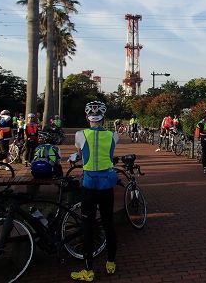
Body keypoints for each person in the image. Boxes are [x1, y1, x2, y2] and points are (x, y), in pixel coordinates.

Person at [71, 101, 119, 282]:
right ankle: (111, 263)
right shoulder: (114, 135)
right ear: (103, 118)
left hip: (89, 186)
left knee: (88, 227)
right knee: (108, 223)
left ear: (87, 117)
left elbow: (80, 153)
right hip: (107, 186)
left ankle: (88, 270)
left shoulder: (80, 135)